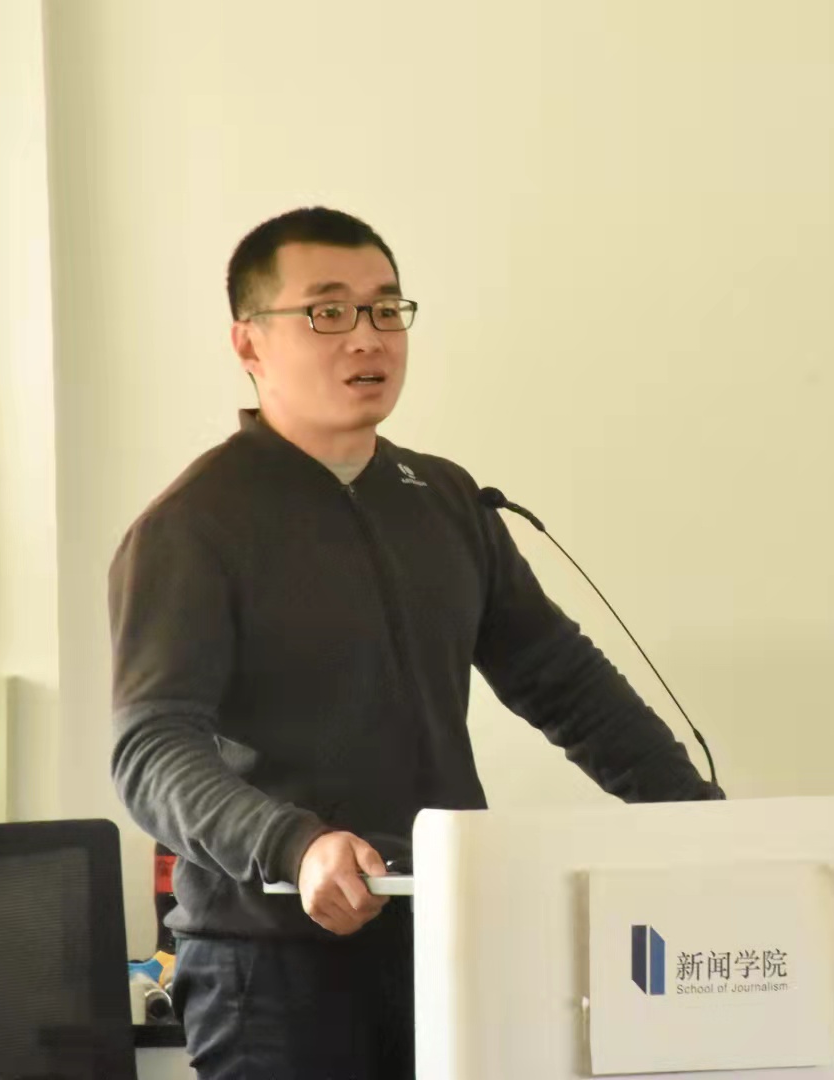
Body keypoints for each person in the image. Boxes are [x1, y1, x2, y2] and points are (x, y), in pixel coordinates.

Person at [108, 206, 722, 1079]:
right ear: (249, 343)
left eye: (386, 308)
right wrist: (294, 844)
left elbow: (563, 682)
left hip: (451, 936)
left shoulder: (443, 500)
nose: (367, 336)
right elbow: (151, 749)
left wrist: (701, 823)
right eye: (327, 311)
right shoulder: (195, 525)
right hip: (274, 965)